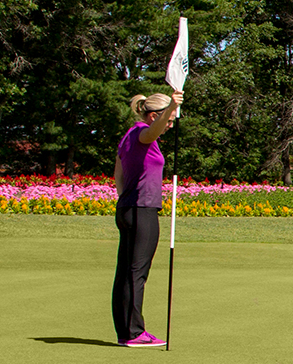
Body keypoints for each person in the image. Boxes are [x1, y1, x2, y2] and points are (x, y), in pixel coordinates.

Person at [113, 91, 181, 347]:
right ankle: (134, 333)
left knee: (126, 272)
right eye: (169, 120)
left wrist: (125, 198)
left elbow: (118, 171)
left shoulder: (128, 137)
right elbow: (152, 132)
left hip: (130, 207)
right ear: (155, 115)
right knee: (136, 273)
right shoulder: (143, 133)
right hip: (142, 210)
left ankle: (126, 332)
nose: (170, 125)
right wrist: (172, 105)